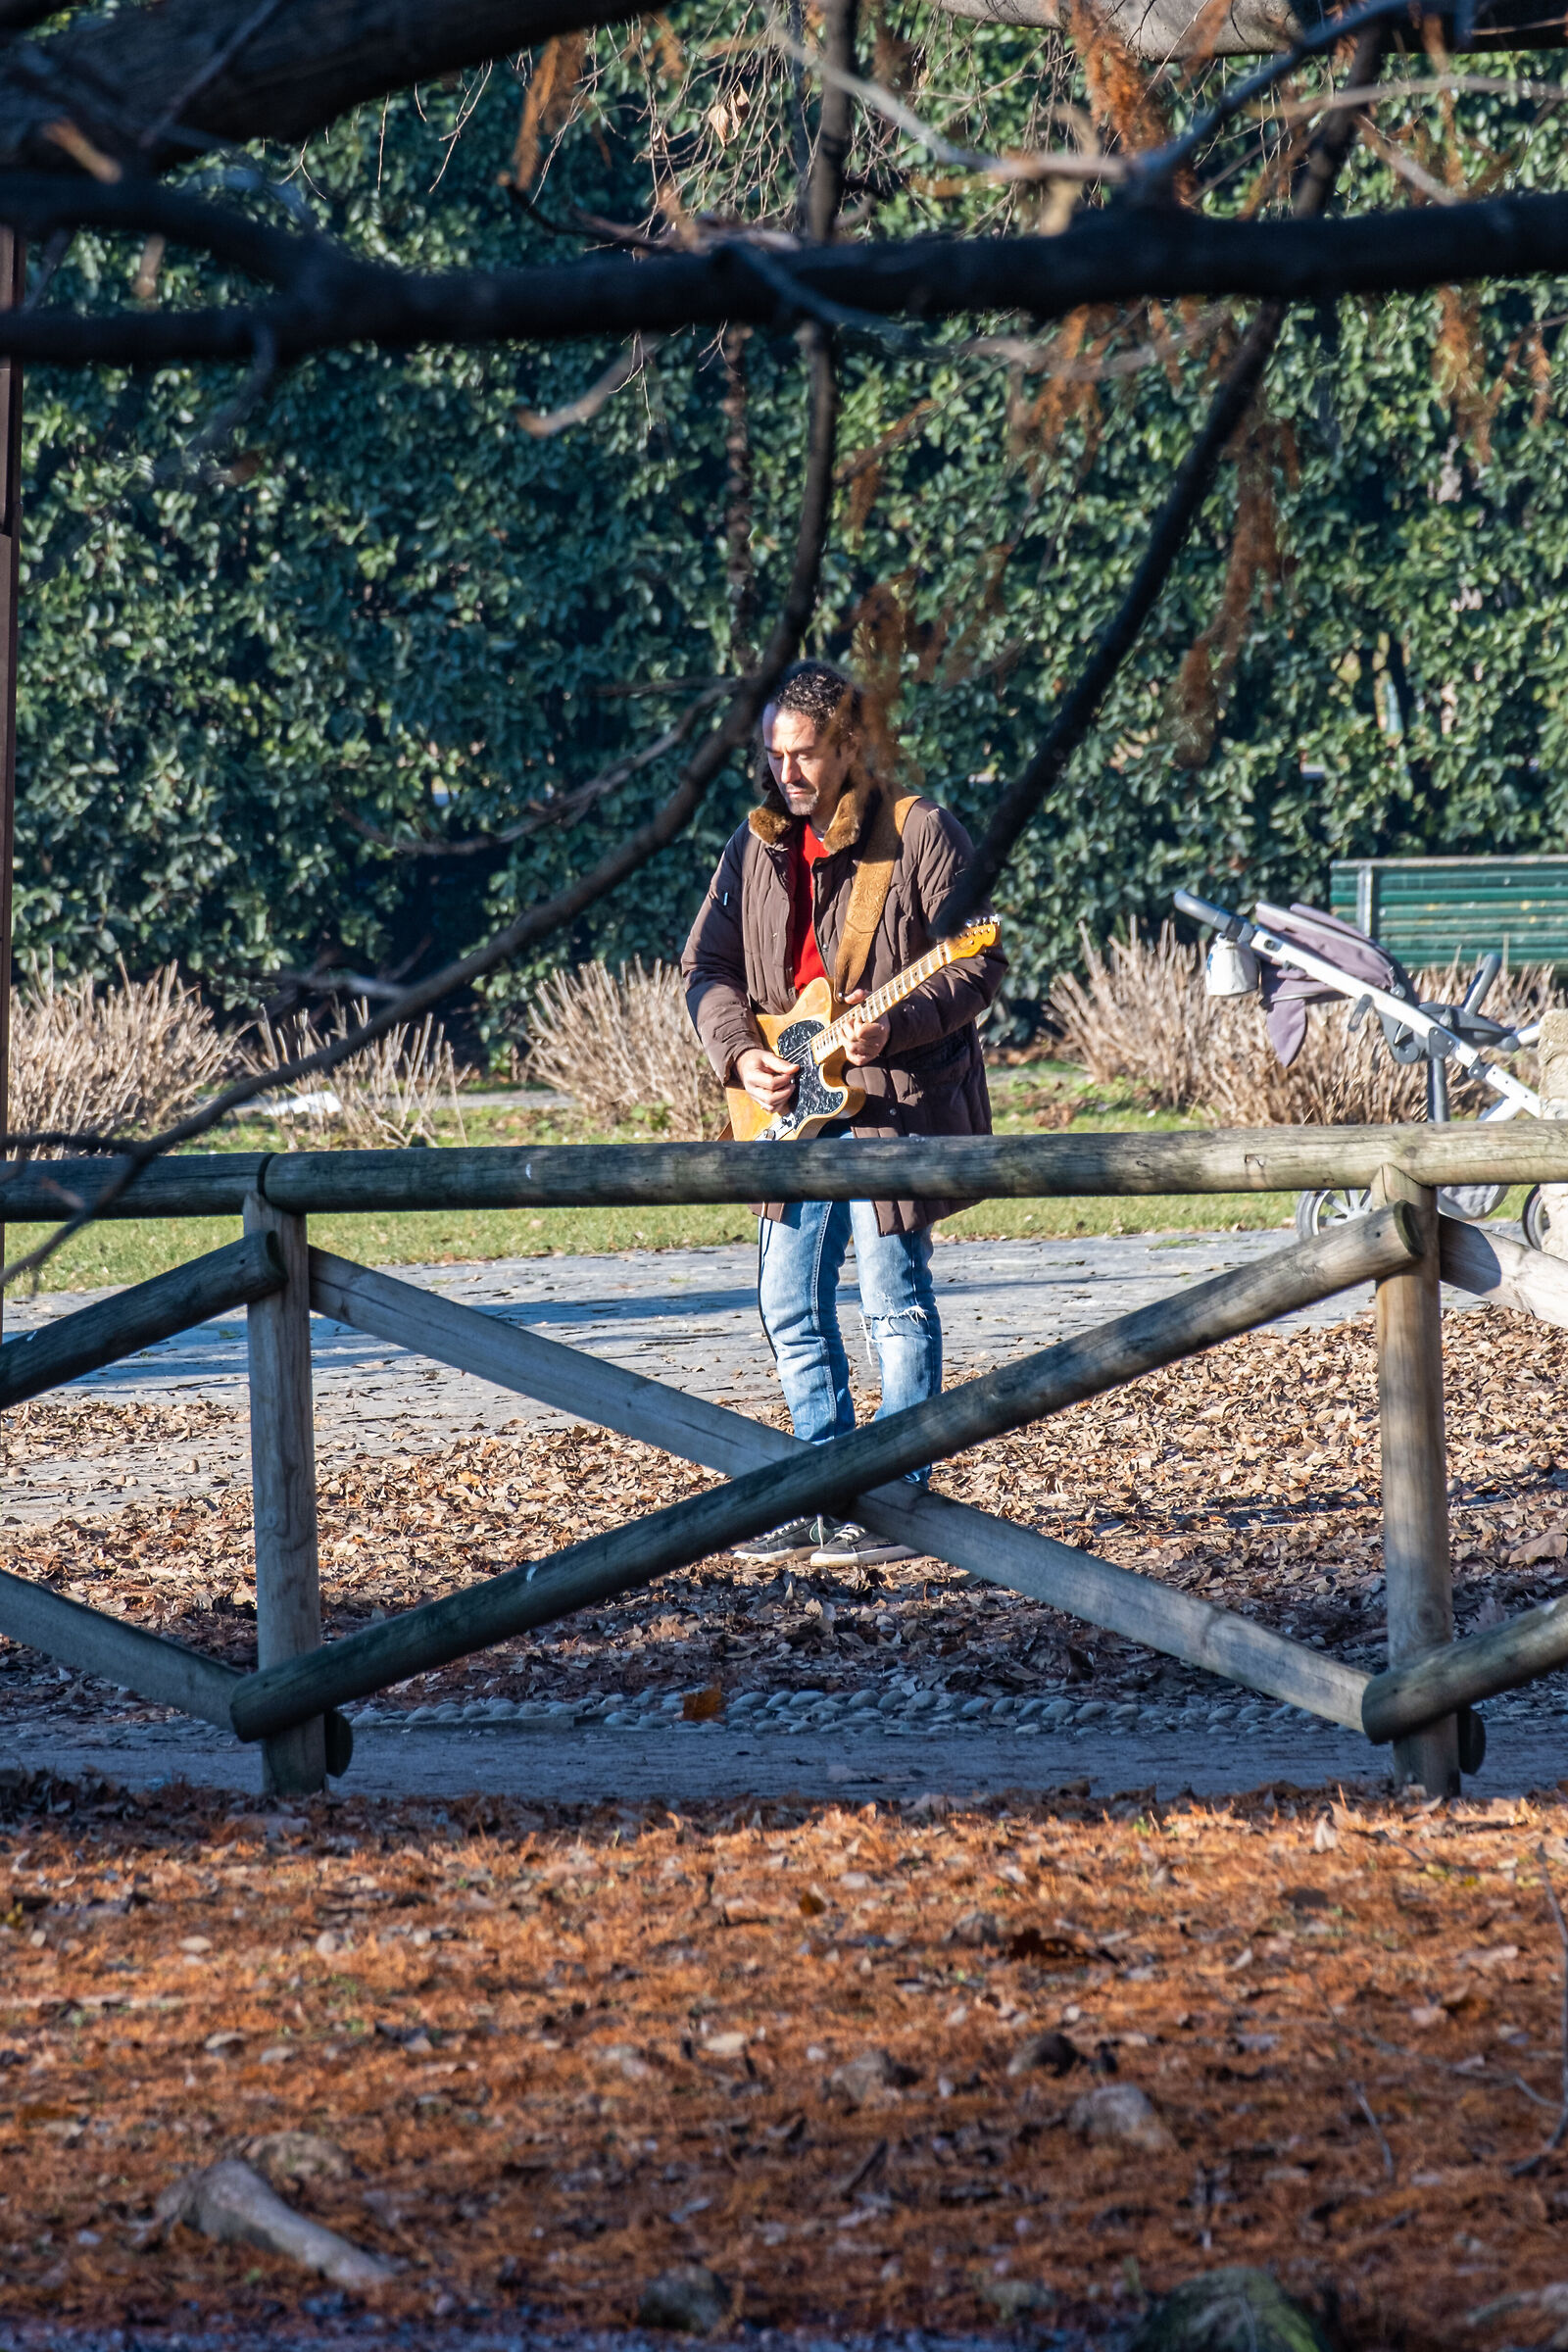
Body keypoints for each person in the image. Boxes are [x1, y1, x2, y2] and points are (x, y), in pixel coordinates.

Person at [680, 658, 1006, 1570]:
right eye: (776, 755)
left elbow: (976, 962)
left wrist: (893, 1026)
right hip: (786, 1105)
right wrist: (743, 1054)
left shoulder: (922, 830)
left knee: (892, 1302)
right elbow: (705, 969)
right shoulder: (755, 845)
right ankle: (821, 1489)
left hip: (889, 1107)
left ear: (851, 746)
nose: (788, 773)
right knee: (789, 1304)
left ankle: (897, 1505)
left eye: (806, 754)